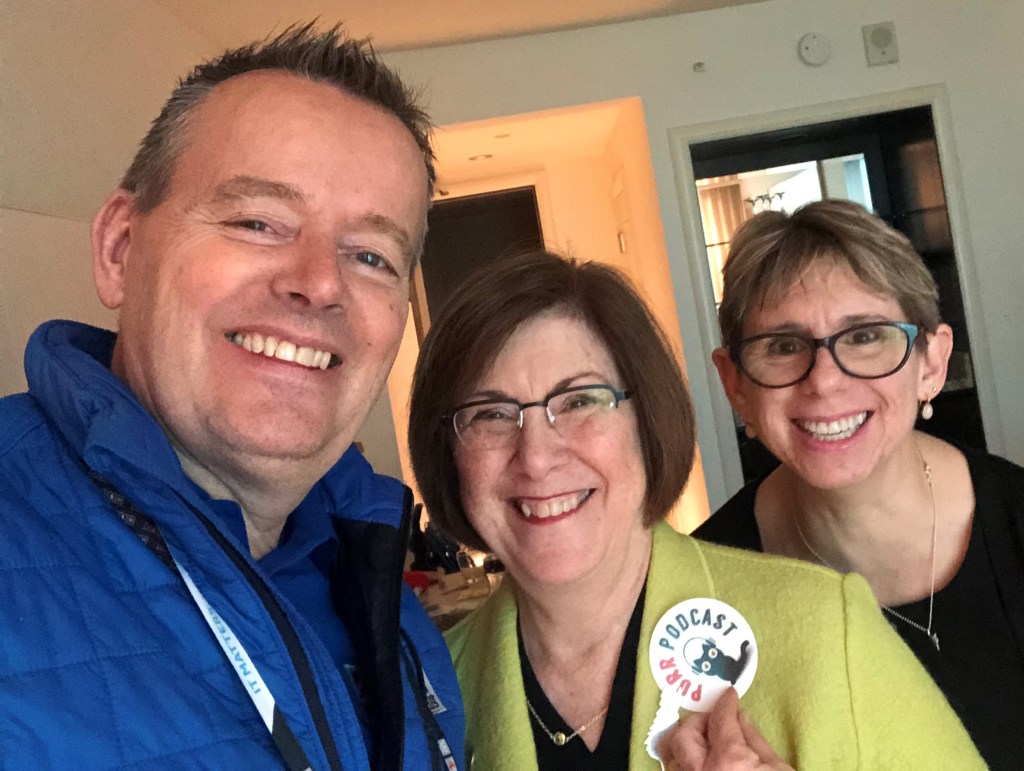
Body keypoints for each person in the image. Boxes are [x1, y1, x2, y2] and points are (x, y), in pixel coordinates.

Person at [0, 24, 464, 770]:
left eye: (372, 256)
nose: (320, 282)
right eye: (258, 222)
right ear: (120, 249)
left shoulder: (398, 619)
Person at [407, 250, 983, 769]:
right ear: (448, 454)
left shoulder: (827, 628)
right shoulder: (424, 690)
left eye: (580, 400)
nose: (536, 457)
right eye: (490, 414)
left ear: (648, 422)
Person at [694, 198, 1024, 769]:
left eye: (866, 336)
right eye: (783, 346)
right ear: (735, 384)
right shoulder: (702, 595)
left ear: (931, 363)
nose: (825, 382)